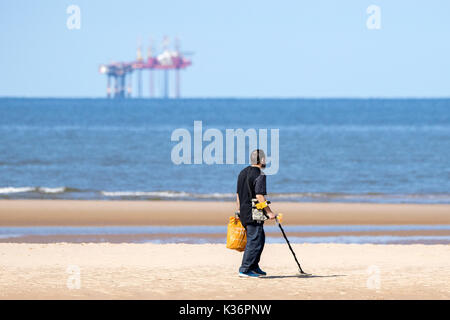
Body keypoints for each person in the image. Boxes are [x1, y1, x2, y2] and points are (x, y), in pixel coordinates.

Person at [235, 149, 277, 278]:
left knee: (260, 239)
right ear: (262, 160)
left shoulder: (242, 172)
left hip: (244, 212)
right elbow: (259, 195)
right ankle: (245, 268)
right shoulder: (260, 174)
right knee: (254, 241)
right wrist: (269, 213)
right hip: (254, 214)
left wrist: (239, 210)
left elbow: (237, 194)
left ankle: (254, 266)